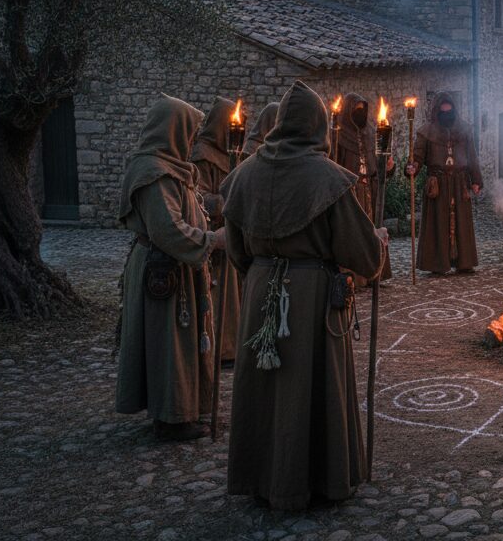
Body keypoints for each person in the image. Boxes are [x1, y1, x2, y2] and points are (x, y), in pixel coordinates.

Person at [221, 80, 389, 510]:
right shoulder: (327, 178)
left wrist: (265, 273)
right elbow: (364, 256)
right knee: (309, 384)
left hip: (260, 289)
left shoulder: (243, 174)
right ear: (318, 126)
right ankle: (314, 481)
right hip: (311, 295)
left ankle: (264, 479)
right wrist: (379, 242)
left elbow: (237, 251)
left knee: (269, 387)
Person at [115, 95, 222, 442]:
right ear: (173, 130)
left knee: (178, 342)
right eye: (189, 133)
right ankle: (173, 417)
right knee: (169, 343)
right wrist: (211, 241)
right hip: (162, 272)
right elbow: (168, 230)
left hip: (176, 270)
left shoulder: (170, 167)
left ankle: (181, 410)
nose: (192, 141)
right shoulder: (153, 173)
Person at [406, 93, 483, 275]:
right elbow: (417, 156)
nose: (447, 115)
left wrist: (476, 180)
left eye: (450, 111)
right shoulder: (426, 132)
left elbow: (472, 156)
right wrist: (412, 167)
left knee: (461, 222)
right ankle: (437, 263)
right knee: (438, 223)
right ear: (437, 112)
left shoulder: (464, 130)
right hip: (437, 184)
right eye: (443, 111)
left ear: (454, 111)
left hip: (459, 182)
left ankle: (463, 261)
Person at [189, 96, 241, 363]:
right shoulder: (201, 155)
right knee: (217, 295)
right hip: (213, 234)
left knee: (232, 296)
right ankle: (217, 350)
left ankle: (231, 346)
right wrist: (227, 203)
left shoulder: (230, 153)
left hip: (229, 233)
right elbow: (197, 197)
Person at [333, 92, 394, 279]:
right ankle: (356, 276)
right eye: (356, 109)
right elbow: (333, 163)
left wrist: (388, 166)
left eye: (363, 108)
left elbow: (378, 164)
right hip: (351, 191)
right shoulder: (338, 135)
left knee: (373, 231)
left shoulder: (370, 133)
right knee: (354, 232)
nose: (360, 112)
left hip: (370, 190)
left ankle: (376, 273)